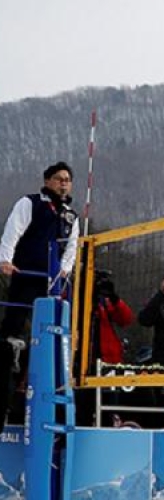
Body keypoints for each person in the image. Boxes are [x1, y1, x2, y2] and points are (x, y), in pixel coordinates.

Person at [0, 162, 79, 424]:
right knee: (12, 332)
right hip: (25, 277)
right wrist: (5, 260)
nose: (64, 183)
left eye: (67, 179)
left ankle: (44, 393)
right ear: (47, 181)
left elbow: (72, 249)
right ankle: (10, 374)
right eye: (59, 179)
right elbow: (12, 232)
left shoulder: (71, 216)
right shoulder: (30, 203)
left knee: (50, 339)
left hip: (52, 285)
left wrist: (65, 271)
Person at [91, 269, 134, 366]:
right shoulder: (75, 298)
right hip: (86, 355)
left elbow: (126, 319)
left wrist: (115, 299)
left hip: (107, 359)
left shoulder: (104, 304)